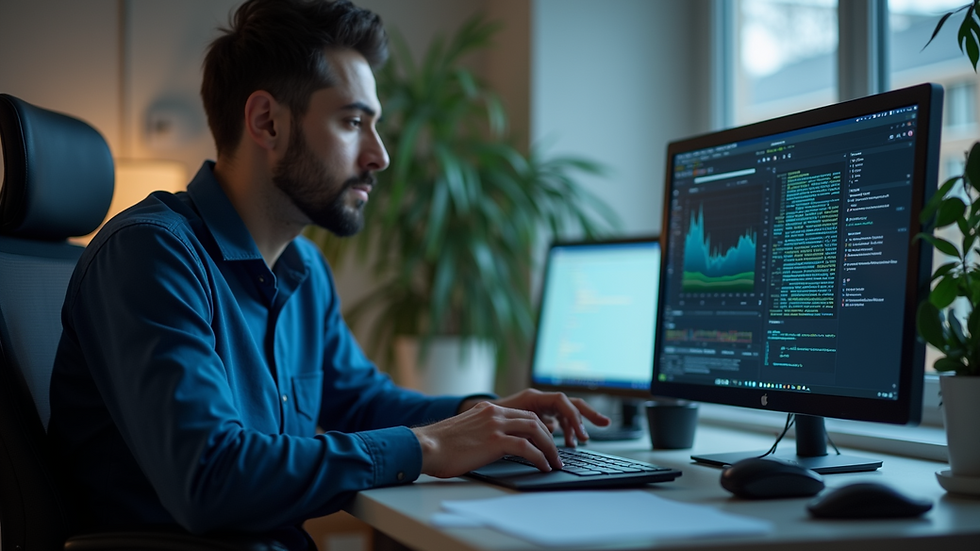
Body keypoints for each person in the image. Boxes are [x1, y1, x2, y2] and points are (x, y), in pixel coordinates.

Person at [47, 0, 609, 545]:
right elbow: (211, 479)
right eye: (352, 121)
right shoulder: (150, 255)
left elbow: (361, 400)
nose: (380, 155)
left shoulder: (302, 268)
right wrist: (429, 446)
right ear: (267, 121)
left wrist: (480, 415)